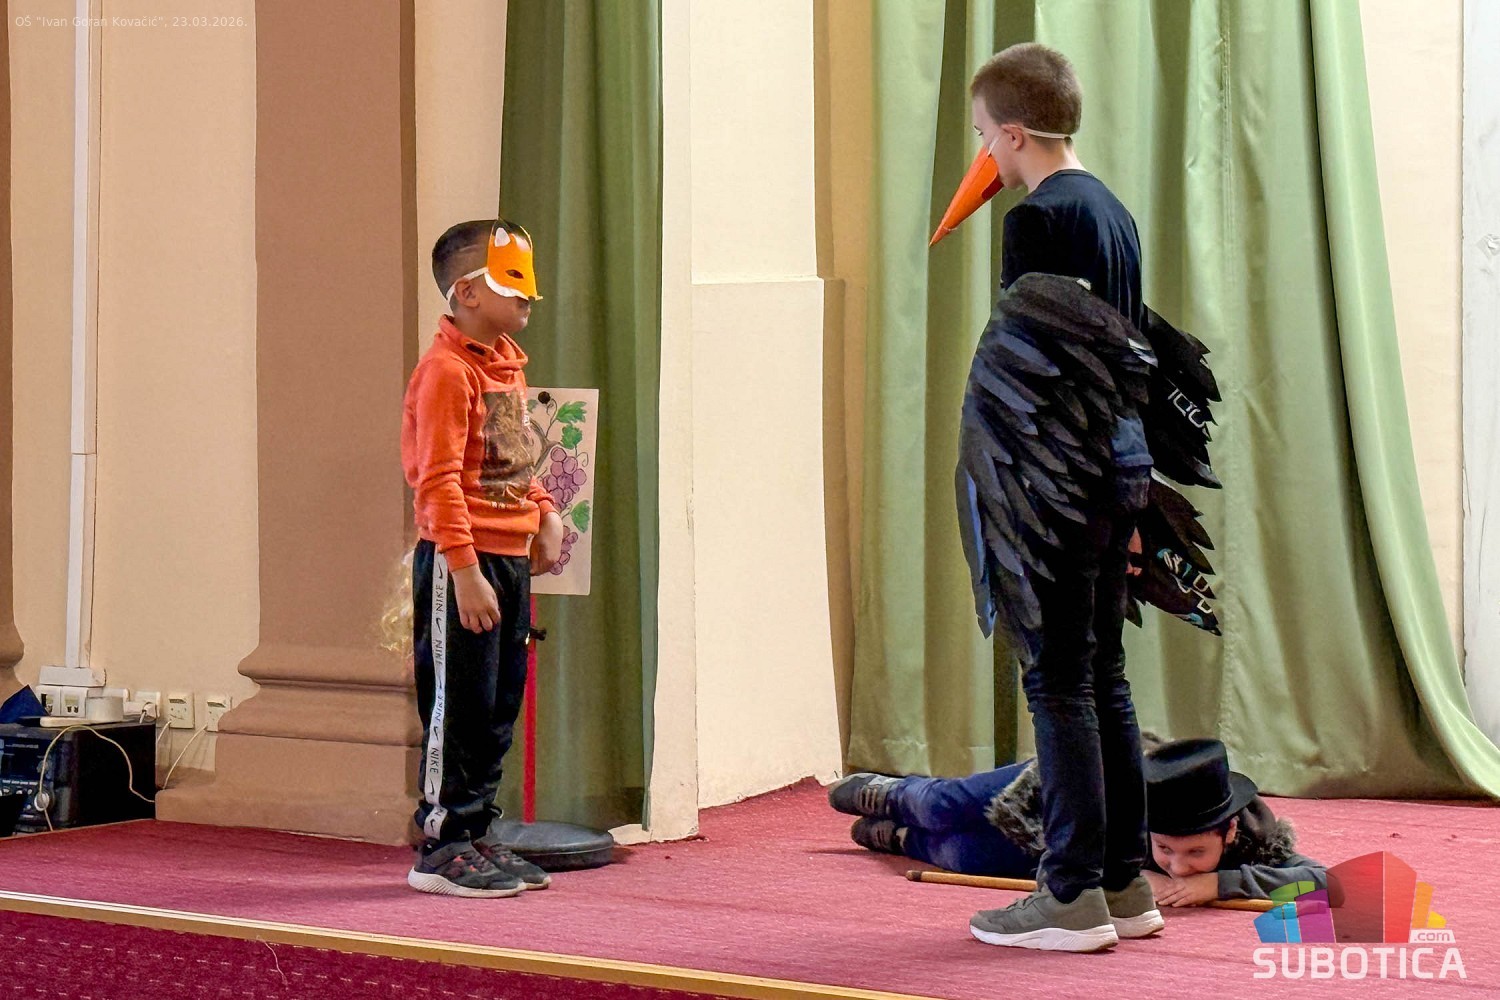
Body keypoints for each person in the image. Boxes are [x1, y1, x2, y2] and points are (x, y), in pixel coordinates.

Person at [943, 43, 1157, 951]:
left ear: (1014, 134)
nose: (984, 153)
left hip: (1058, 481)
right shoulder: (1113, 212)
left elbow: (1031, 376)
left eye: (983, 136)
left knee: (1057, 679)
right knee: (1104, 674)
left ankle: (1069, 892)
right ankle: (1125, 880)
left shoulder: (1036, 220)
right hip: (1118, 469)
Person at [400, 218, 565, 898]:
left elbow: (512, 455)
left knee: (497, 708)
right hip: (460, 562)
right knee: (459, 706)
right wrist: (464, 572)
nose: (528, 297)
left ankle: (476, 829)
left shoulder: (505, 367)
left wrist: (544, 511)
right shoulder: (446, 372)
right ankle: (441, 844)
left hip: (506, 560)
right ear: (467, 292)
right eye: (511, 283)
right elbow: (437, 480)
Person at [831, 738, 1326, 908]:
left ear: (1229, 832)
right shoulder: (1116, 789)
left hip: (1068, 854)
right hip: (1063, 790)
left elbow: (1332, 883)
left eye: (1196, 853)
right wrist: (1135, 871)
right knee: (945, 808)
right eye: (1165, 849)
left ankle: (901, 838)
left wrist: (1220, 883)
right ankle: (895, 794)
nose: (1177, 868)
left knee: (962, 853)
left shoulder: (1256, 840)